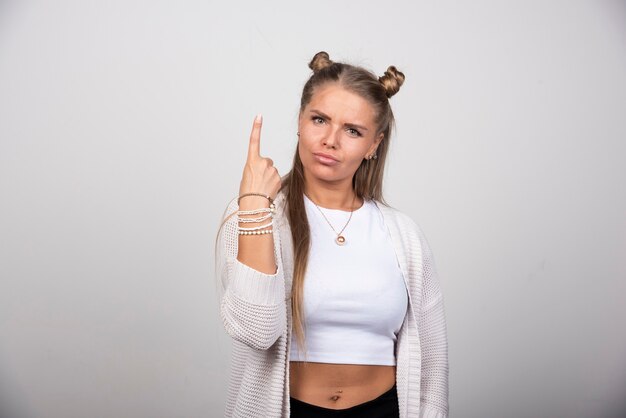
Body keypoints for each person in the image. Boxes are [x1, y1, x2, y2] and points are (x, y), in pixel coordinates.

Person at [215, 51, 448, 418]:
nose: (330, 140)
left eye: (352, 130)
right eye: (319, 120)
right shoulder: (256, 214)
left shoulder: (403, 235)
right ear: (300, 121)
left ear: (374, 145)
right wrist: (255, 205)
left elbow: (433, 364)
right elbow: (254, 330)